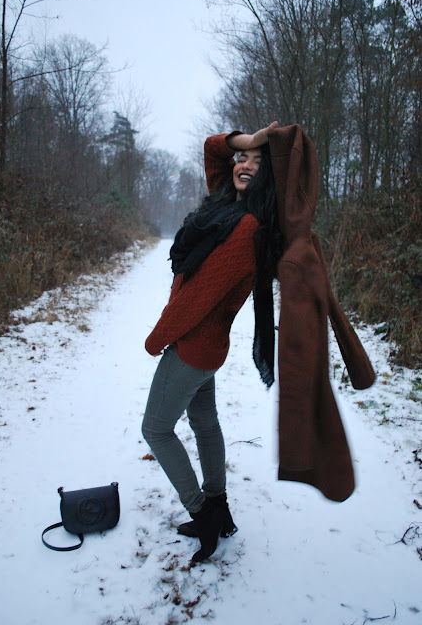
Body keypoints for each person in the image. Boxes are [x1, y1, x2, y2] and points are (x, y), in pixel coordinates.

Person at [142, 121, 282, 563]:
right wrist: (250, 140)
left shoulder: (245, 228)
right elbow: (211, 148)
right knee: (205, 424)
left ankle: (202, 512)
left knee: (156, 429)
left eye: (258, 163)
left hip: (192, 347)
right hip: (208, 349)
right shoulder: (225, 206)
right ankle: (219, 508)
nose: (245, 166)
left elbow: (198, 298)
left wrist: (157, 339)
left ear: (268, 178)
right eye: (243, 158)